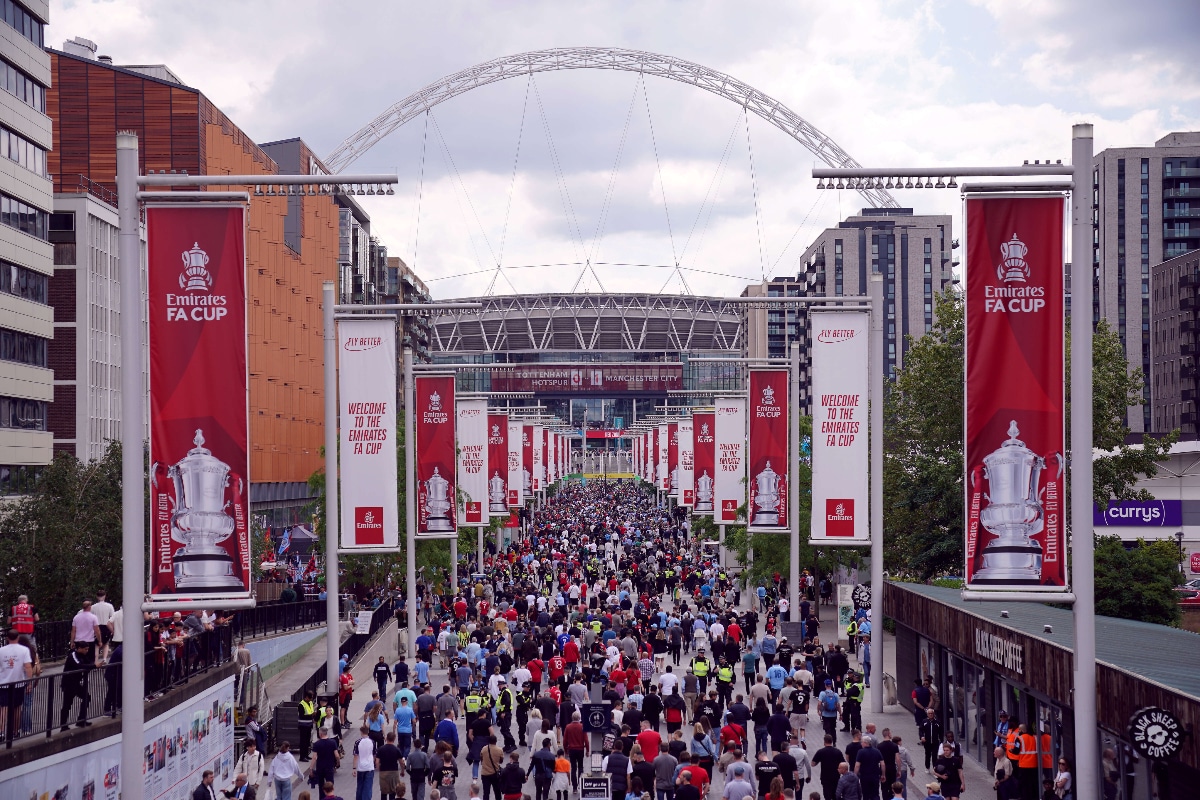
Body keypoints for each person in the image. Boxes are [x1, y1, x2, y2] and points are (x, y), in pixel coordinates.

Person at [60, 640, 93, 730]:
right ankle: (63, 725)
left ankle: (81, 720)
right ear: (79, 649)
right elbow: (79, 665)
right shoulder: (73, 655)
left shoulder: (83, 655)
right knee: (67, 704)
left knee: (86, 697)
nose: (87, 651)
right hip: (69, 683)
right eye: (85, 649)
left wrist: (92, 665)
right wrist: (93, 666)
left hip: (76, 683)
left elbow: (89, 663)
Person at [812, 735, 845, 800]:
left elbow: (813, 764)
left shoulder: (821, 752)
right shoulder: (838, 751)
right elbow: (843, 763)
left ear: (824, 742)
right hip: (835, 776)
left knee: (827, 795)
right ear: (832, 741)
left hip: (825, 777)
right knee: (835, 794)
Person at [71, 599, 102, 664]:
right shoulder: (93, 617)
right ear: (90, 607)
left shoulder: (76, 617)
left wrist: (72, 642)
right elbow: (97, 630)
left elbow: (73, 630)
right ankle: (86, 673)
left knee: (79, 660)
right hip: (89, 641)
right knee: (89, 661)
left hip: (78, 641)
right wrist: (99, 641)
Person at [379, 732, 405, 800]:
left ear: (387, 738)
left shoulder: (381, 749)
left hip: (383, 772)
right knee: (393, 791)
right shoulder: (396, 749)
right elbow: (401, 762)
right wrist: (402, 771)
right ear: (394, 739)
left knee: (383, 792)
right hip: (394, 772)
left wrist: (380, 769)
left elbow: (377, 761)